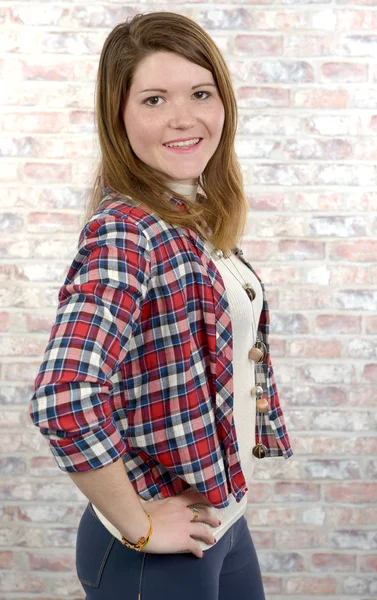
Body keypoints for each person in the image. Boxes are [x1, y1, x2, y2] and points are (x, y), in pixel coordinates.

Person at [28, 11, 293, 600]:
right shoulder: (128, 232)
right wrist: (140, 523)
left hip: (220, 520)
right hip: (153, 556)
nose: (184, 117)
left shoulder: (190, 217)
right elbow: (64, 395)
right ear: (119, 119)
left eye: (201, 92)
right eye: (153, 99)